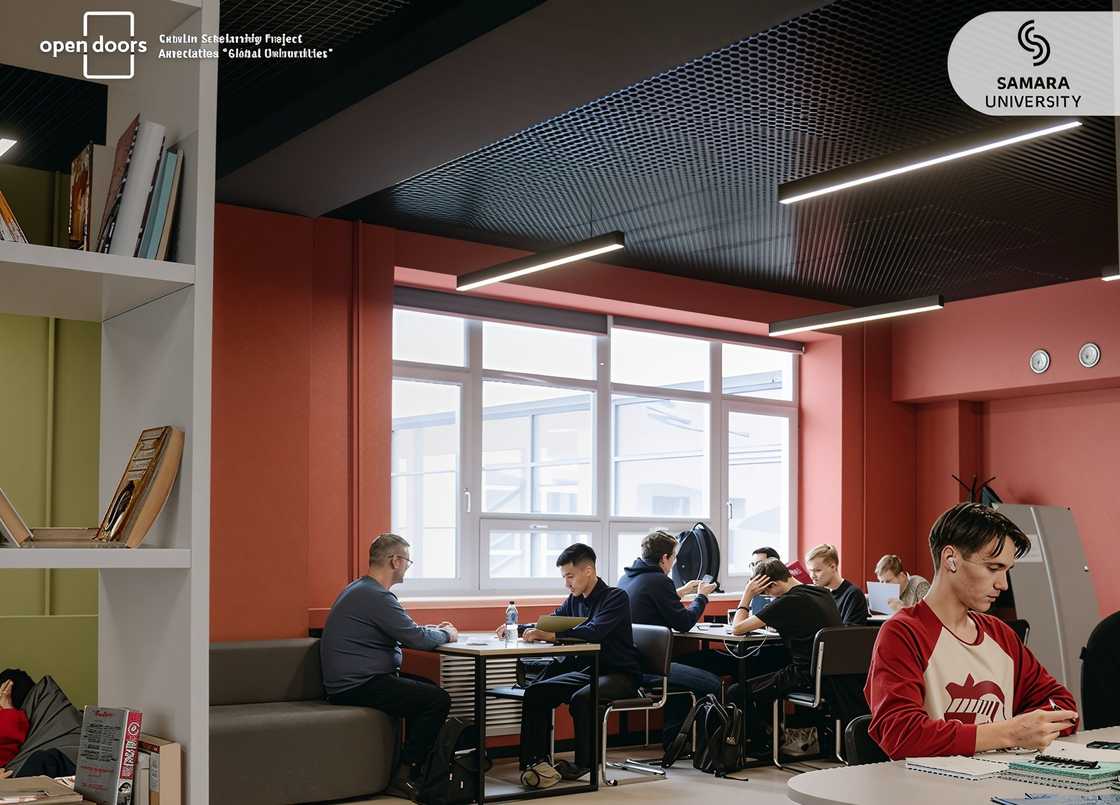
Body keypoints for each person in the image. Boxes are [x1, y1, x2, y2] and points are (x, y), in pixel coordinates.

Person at [865, 503, 1078, 759]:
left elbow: (1062, 705)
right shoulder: (902, 633)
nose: (1003, 585)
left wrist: (1030, 727)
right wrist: (1008, 733)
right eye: (993, 568)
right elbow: (900, 734)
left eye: (1007, 571)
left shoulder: (1000, 635)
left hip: (999, 784)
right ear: (951, 559)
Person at [320, 533, 458, 798]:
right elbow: (416, 638)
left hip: (353, 681)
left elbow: (405, 630)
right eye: (408, 561)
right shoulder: (376, 597)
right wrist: (447, 634)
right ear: (395, 561)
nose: (407, 566)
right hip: (358, 685)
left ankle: (412, 767)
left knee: (427, 689)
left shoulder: (359, 589)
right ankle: (407, 773)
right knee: (436, 699)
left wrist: (429, 632)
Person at [499, 543, 640, 783]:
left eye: (570, 576)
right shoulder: (574, 599)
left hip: (620, 674)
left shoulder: (615, 597)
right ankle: (537, 763)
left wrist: (549, 636)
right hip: (587, 670)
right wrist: (518, 628)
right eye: (564, 577)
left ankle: (585, 765)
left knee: (582, 698)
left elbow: (594, 632)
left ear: (588, 571)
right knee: (536, 692)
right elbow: (553, 621)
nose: (567, 583)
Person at [617, 530, 719, 750]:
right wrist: (702, 596)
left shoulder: (627, 578)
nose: (674, 563)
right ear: (664, 558)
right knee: (713, 683)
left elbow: (653, 599)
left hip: (628, 663)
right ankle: (705, 747)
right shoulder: (659, 581)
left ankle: (675, 742)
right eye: (673, 557)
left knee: (706, 659)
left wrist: (681, 591)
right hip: (650, 669)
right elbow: (684, 622)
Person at [728, 558, 842, 754]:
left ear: (774, 584)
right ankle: (774, 738)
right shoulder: (822, 592)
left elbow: (737, 628)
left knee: (735, 692)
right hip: (832, 675)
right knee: (765, 672)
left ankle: (764, 744)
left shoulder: (788, 601)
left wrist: (746, 596)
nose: (767, 597)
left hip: (804, 675)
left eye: (766, 592)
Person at [806, 543, 869, 625]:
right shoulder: (818, 595)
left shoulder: (853, 594)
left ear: (833, 567)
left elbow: (848, 634)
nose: (812, 576)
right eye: (810, 570)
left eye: (817, 570)